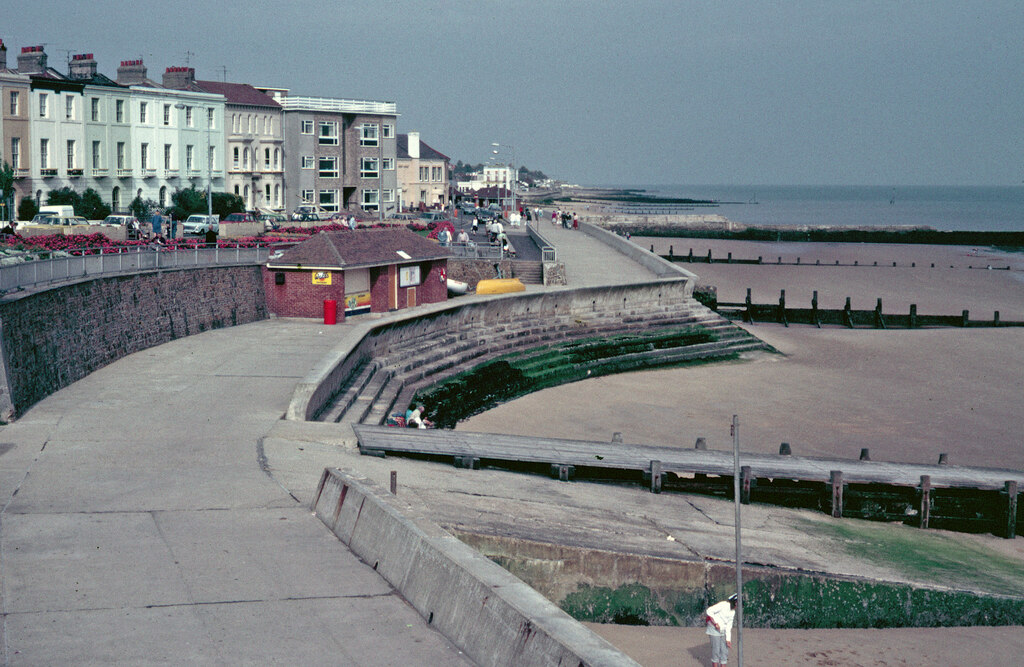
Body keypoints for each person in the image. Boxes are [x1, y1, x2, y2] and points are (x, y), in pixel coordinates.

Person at [705, 593, 738, 667]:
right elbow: (709, 611)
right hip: (714, 629)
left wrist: (728, 639)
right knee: (716, 650)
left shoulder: (732, 612)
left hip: (723, 630)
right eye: (737, 604)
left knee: (724, 651)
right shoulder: (723, 605)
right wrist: (715, 623)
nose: (737, 607)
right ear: (735, 602)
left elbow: (729, 626)